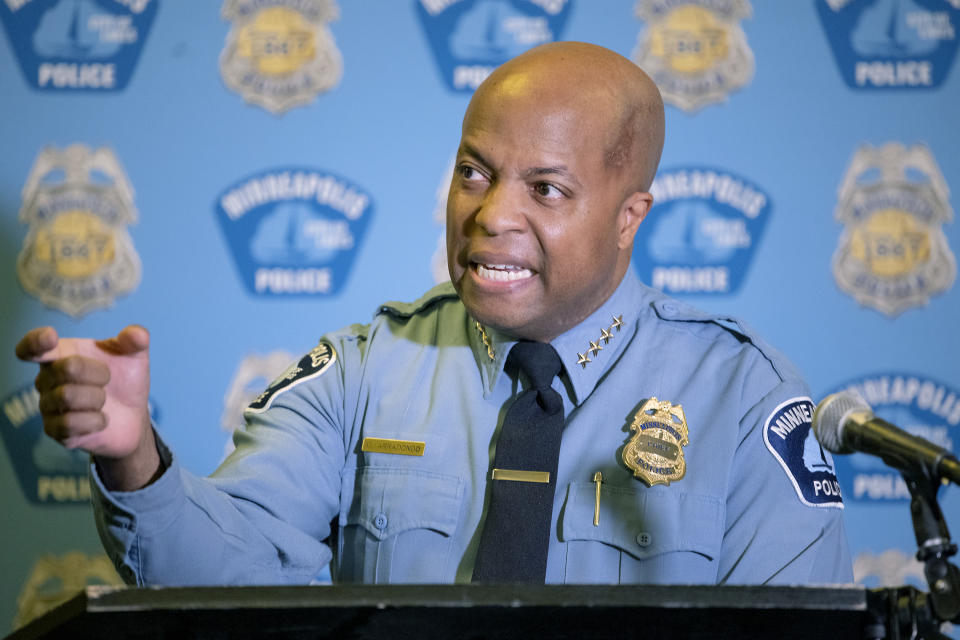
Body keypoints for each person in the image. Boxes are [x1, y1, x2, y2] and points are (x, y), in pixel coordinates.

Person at [16, 42, 852, 586]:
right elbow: (229, 577)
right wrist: (135, 461)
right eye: (474, 172)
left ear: (629, 217)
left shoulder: (741, 397)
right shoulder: (361, 370)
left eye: (546, 189)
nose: (490, 216)